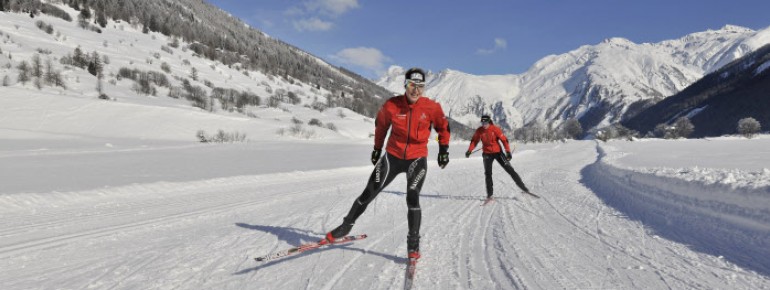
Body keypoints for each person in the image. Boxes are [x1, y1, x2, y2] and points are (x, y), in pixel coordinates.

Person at [323, 67, 450, 260]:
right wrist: (376, 148)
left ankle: (413, 245)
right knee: (369, 192)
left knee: (412, 197)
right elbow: (381, 127)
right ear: (405, 85)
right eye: (412, 85)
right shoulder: (392, 105)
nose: (416, 90)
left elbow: (444, 127)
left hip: (416, 158)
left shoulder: (431, 107)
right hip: (392, 156)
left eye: (420, 87)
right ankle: (345, 226)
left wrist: (443, 150)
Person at [465, 115, 530, 200]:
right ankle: (490, 195)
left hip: (498, 153)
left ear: (489, 122)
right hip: (487, 154)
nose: (484, 124)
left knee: (510, 170)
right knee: (488, 174)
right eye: (482, 122)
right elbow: (474, 141)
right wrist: (469, 150)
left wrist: (508, 152)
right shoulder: (479, 131)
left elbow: (504, 140)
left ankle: (524, 189)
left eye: (486, 122)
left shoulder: (495, 129)